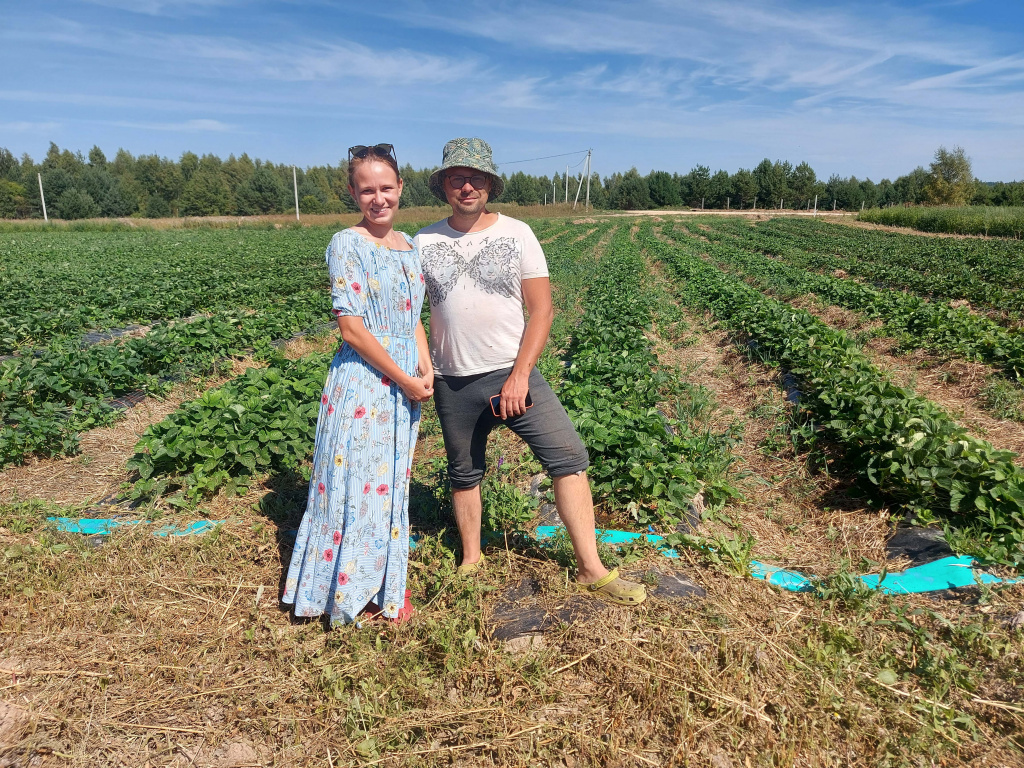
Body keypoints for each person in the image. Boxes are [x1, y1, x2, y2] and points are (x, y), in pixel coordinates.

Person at [414, 137, 646, 606]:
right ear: (443, 186)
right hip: (452, 380)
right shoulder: (423, 241)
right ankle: (472, 560)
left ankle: (590, 568)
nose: (466, 186)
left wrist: (520, 375)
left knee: (568, 457)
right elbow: (408, 313)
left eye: (475, 178)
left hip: (512, 372)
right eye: (457, 178)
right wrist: (426, 365)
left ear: (489, 184)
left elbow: (541, 311)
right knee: (464, 473)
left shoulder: (518, 233)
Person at [282, 143, 433, 626]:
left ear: (400, 189)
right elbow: (352, 328)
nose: (378, 198)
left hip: (405, 378)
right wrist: (405, 377)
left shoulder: (408, 245)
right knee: (356, 485)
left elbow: (411, 318)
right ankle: (348, 592)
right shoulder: (347, 244)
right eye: (367, 189)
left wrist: (425, 369)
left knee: (388, 484)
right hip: (366, 382)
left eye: (386, 188)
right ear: (352, 192)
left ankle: (380, 585)